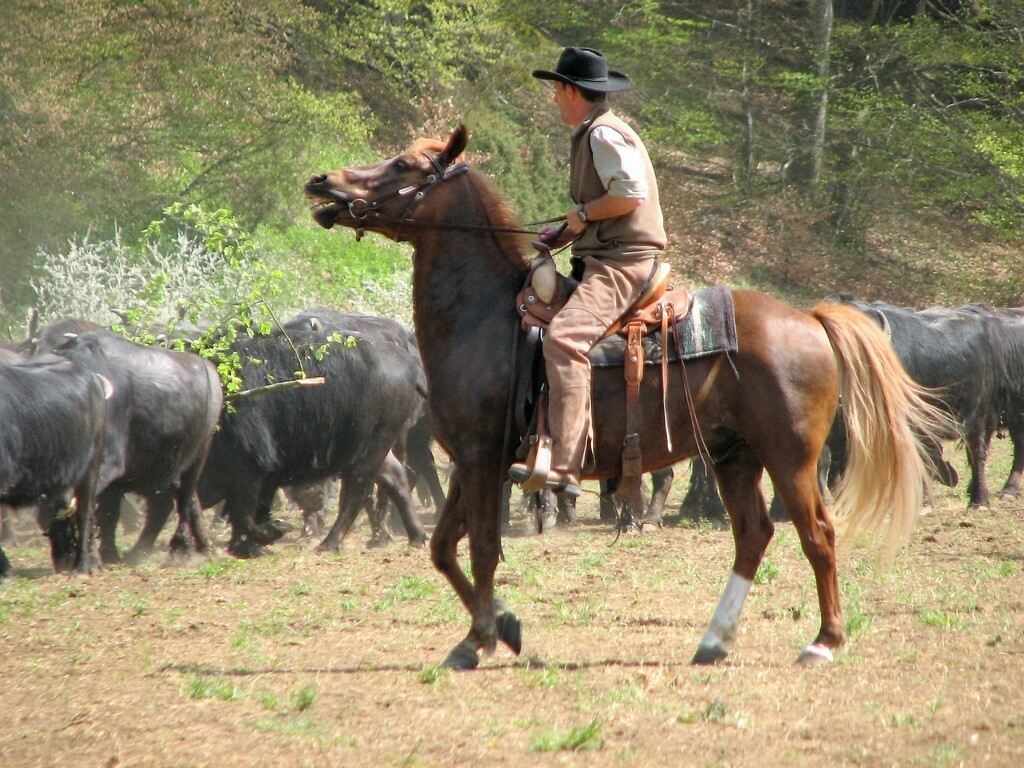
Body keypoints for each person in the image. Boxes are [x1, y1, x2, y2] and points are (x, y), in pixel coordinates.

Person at [510, 46, 667, 497]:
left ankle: (566, 463)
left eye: (556, 91)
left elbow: (630, 194)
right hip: (608, 254)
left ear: (571, 90)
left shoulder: (601, 135)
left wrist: (582, 213)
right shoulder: (597, 132)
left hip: (622, 263)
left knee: (565, 339)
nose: (553, 99)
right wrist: (565, 232)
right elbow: (603, 209)